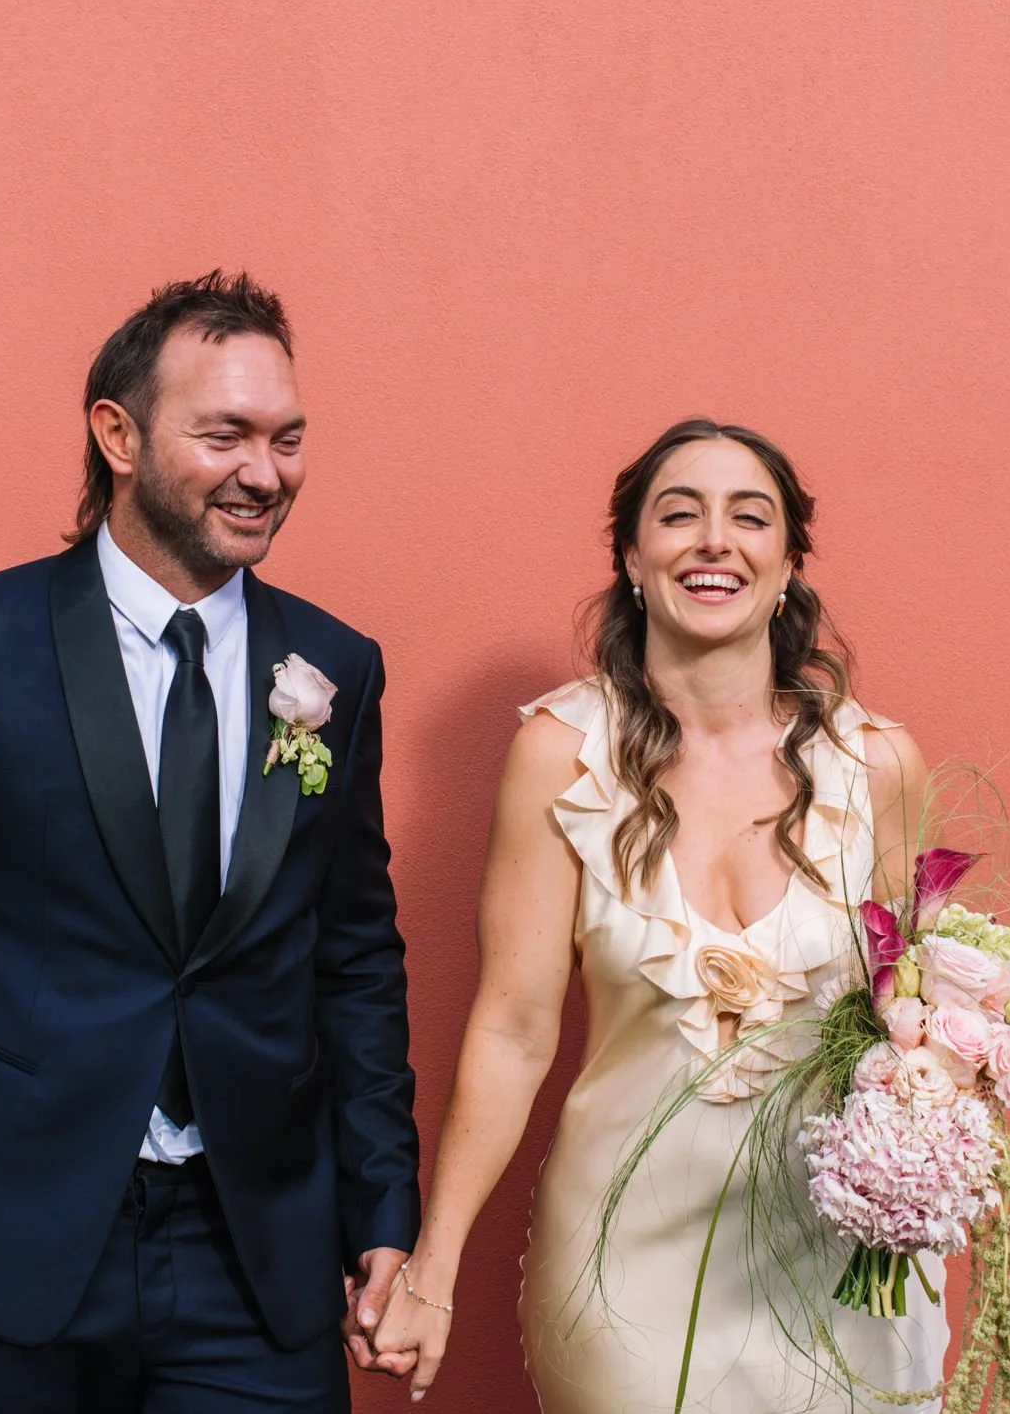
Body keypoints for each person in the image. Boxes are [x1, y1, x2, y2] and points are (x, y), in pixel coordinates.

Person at [0, 271, 419, 1414]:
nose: (265, 471)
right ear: (117, 432)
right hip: (20, 1252)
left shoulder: (336, 666)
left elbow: (355, 961)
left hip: (259, 1260)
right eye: (225, 434)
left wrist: (383, 1209)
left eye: (288, 438)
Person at [368, 418, 948, 1410]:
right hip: (619, 1265)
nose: (713, 540)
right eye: (678, 515)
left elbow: (922, 1036)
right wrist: (434, 1263)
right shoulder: (561, 753)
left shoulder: (880, 765)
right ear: (633, 557)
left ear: (788, 560)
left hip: (838, 1260)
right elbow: (511, 1027)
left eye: (748, 517)